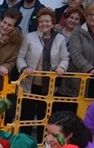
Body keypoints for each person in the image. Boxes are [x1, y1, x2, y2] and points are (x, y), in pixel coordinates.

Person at [16, 7, 69, 141]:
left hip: (49, 85)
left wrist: (62, 67)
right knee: (26, 116)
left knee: (45, 116)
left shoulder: (60, 39)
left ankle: (44, 143)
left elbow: (65, 58)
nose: (44, 24)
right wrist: (24, 68)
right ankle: (25, 143)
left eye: (47, 21)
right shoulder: (29, 37)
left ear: (52, 23)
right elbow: (20, 57)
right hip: (30, 84)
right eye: (41, 21)